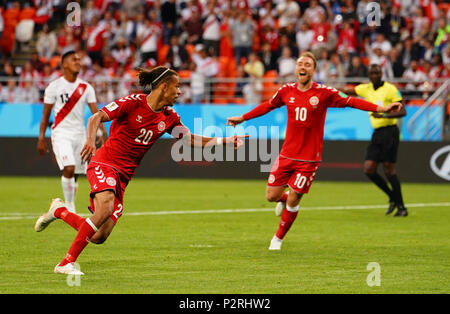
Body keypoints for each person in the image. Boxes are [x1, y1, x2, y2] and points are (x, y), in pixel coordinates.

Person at [34, 66, 248, 275]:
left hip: (123, 177)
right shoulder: (132, 102)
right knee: (106, 207)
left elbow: (189, 138)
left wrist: (225, 141)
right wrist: (90, 140)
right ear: (164, 87)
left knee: (99, 235)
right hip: (105, 163)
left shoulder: (169, 117)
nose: (180, 91)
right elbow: (95, 117)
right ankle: (65, 263)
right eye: (177, 86)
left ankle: (59, 211)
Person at [226, 52, 403, 251]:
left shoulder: (324, 93)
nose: (303, 66)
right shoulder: (286, 91)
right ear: (295, 68)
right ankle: (283, 199)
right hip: (286, 155)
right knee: (271, 196)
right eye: (300, 63)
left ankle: (277, 239)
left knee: (295, 199)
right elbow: (268, 105)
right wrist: (243, 117)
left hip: (309, 160)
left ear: (313, 70)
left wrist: (382, 108)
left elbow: (351, 101)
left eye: (308, 64)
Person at [37, 50, 108, 214]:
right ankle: (69, 207)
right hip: (61, 133)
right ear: (64, 64)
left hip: (80, 134)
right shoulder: (54, 87)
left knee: (76, 173)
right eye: (73, 59)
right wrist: (41, 138)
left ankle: (69, 204)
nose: (78, 61)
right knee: (69, 167)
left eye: (78, 59)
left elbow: (96, 114)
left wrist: (102, 134)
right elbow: (45, 116)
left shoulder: (86, 87)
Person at [342, 64, 408, 217]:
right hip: (377, 133)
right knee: (369, 169)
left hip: (390, 132)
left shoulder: (390, 89)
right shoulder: (366, 88)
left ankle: (402, 207)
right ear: (369, 75)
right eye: (372, 73)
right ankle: (392, 197)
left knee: (389, 170)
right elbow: (347, 91)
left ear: (381, 74)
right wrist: (327, 90)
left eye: (377, 73)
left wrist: (384, 115)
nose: (374, 75)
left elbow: (402, 111)